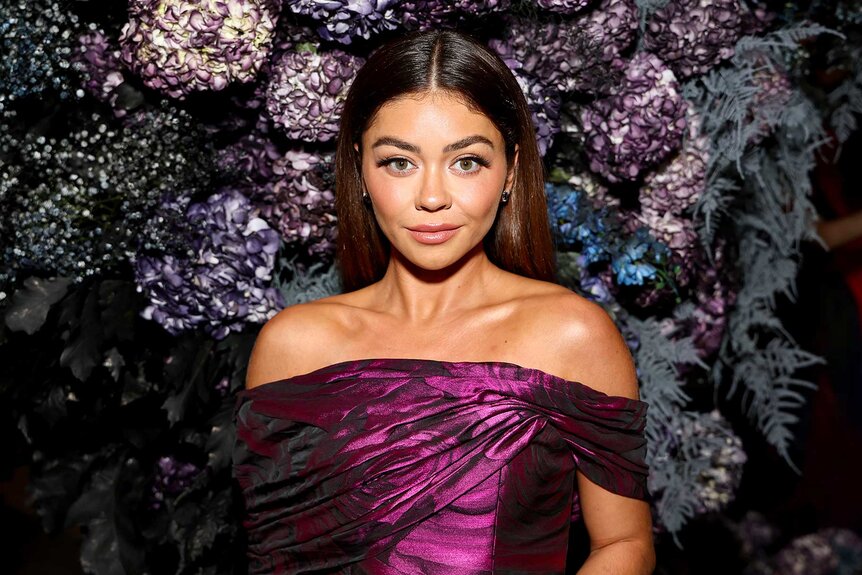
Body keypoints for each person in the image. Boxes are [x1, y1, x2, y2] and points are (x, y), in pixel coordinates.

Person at [233, 29, 655, 574]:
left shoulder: (570, 334)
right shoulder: (293, 346)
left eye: (467, 162)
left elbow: (624, 545)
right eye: (399, 163)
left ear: (510, 171)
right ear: (360, 171)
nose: (432, 197)